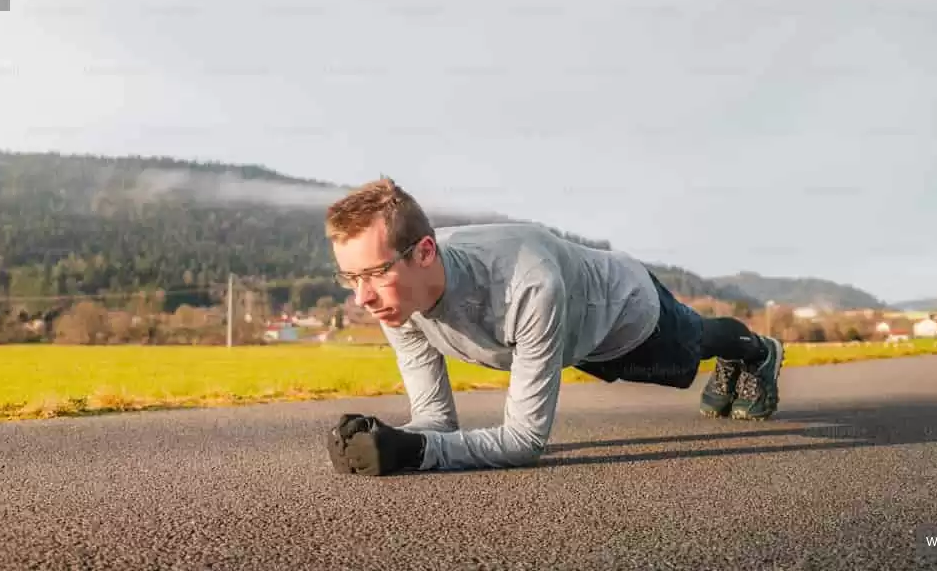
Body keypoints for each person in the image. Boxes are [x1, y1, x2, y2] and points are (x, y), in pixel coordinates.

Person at [323, 178, 783, 476]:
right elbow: (437, 420)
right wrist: (397, 439)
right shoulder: (399, 297)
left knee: (695, 344)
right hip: (571, 334)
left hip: (624, 311)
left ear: (424, 252)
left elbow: (524, 442)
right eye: (352, 277)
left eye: (374, 273)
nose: (362, 298)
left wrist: (419, 454)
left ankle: (756, 352)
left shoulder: (526, 284)